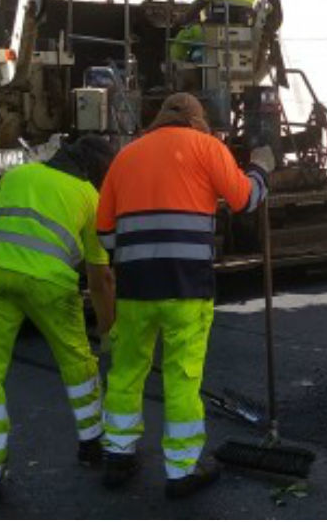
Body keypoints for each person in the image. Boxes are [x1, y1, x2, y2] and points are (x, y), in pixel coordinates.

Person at [96, 92, 274, 499]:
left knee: (126, 371)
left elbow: (104, 234)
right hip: (186, 286)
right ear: (197, 123)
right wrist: (262, 170)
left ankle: (118, 456)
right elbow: (245, 199)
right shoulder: (206, 147)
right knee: (182, 377)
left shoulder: (126, 156)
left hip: (135, 287)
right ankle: (181, 470)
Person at [0, 136, 118, 505]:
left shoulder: (16, 175)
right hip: (49, 284)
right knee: (76, 360)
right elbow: (101, 279)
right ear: (95, 173)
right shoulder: (88, 196)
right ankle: (92, 443)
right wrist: (108, 330)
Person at [170, 0, 256, 64]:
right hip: (239, 36)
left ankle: (173, 69)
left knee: (185, 35)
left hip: (215, 33)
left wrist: (180, 19)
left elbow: (194, 10)